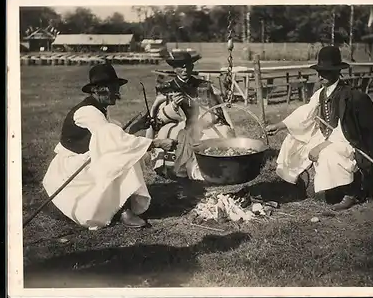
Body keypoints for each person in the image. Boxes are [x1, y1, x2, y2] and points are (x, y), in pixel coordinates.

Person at [42, 64, 177, 229]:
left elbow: (111, 136)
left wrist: (136, 128)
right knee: (122, 157)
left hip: (86, 158)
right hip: (72, 167)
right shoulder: (87, 112)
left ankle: (121, 204)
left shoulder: (99, 108)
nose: (118, 94)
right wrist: (157, 143)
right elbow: (115, 141)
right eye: (114, 89)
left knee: (121, 153)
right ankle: (124, 212)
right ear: (100, 90)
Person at [266, 46, 373, 210]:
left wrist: (321, 146)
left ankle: (351, 192)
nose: (320, 76)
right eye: (319, 71)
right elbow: (306, 113)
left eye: (326, 71)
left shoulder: (347, 96)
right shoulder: (321, 93)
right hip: (327, 136)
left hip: (346, 139)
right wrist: (280, 125)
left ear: (336, 72)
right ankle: (296, 181)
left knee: (328, 153)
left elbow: (345, 130)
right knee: (293, 142)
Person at [145, 50, 236, 180]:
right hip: (180, 125)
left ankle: (216, 167)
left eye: (187, 65)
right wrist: (173, 106)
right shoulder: (168, 88)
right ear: (174, 68)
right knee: (175, 135)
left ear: (192, 66)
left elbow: (216, 109)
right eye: (180, 66)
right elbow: (160, 118)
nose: (184, 69)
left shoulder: (203, 85)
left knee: (223, 133)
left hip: (204, 124)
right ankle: (185, 169)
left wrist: (209, 116)